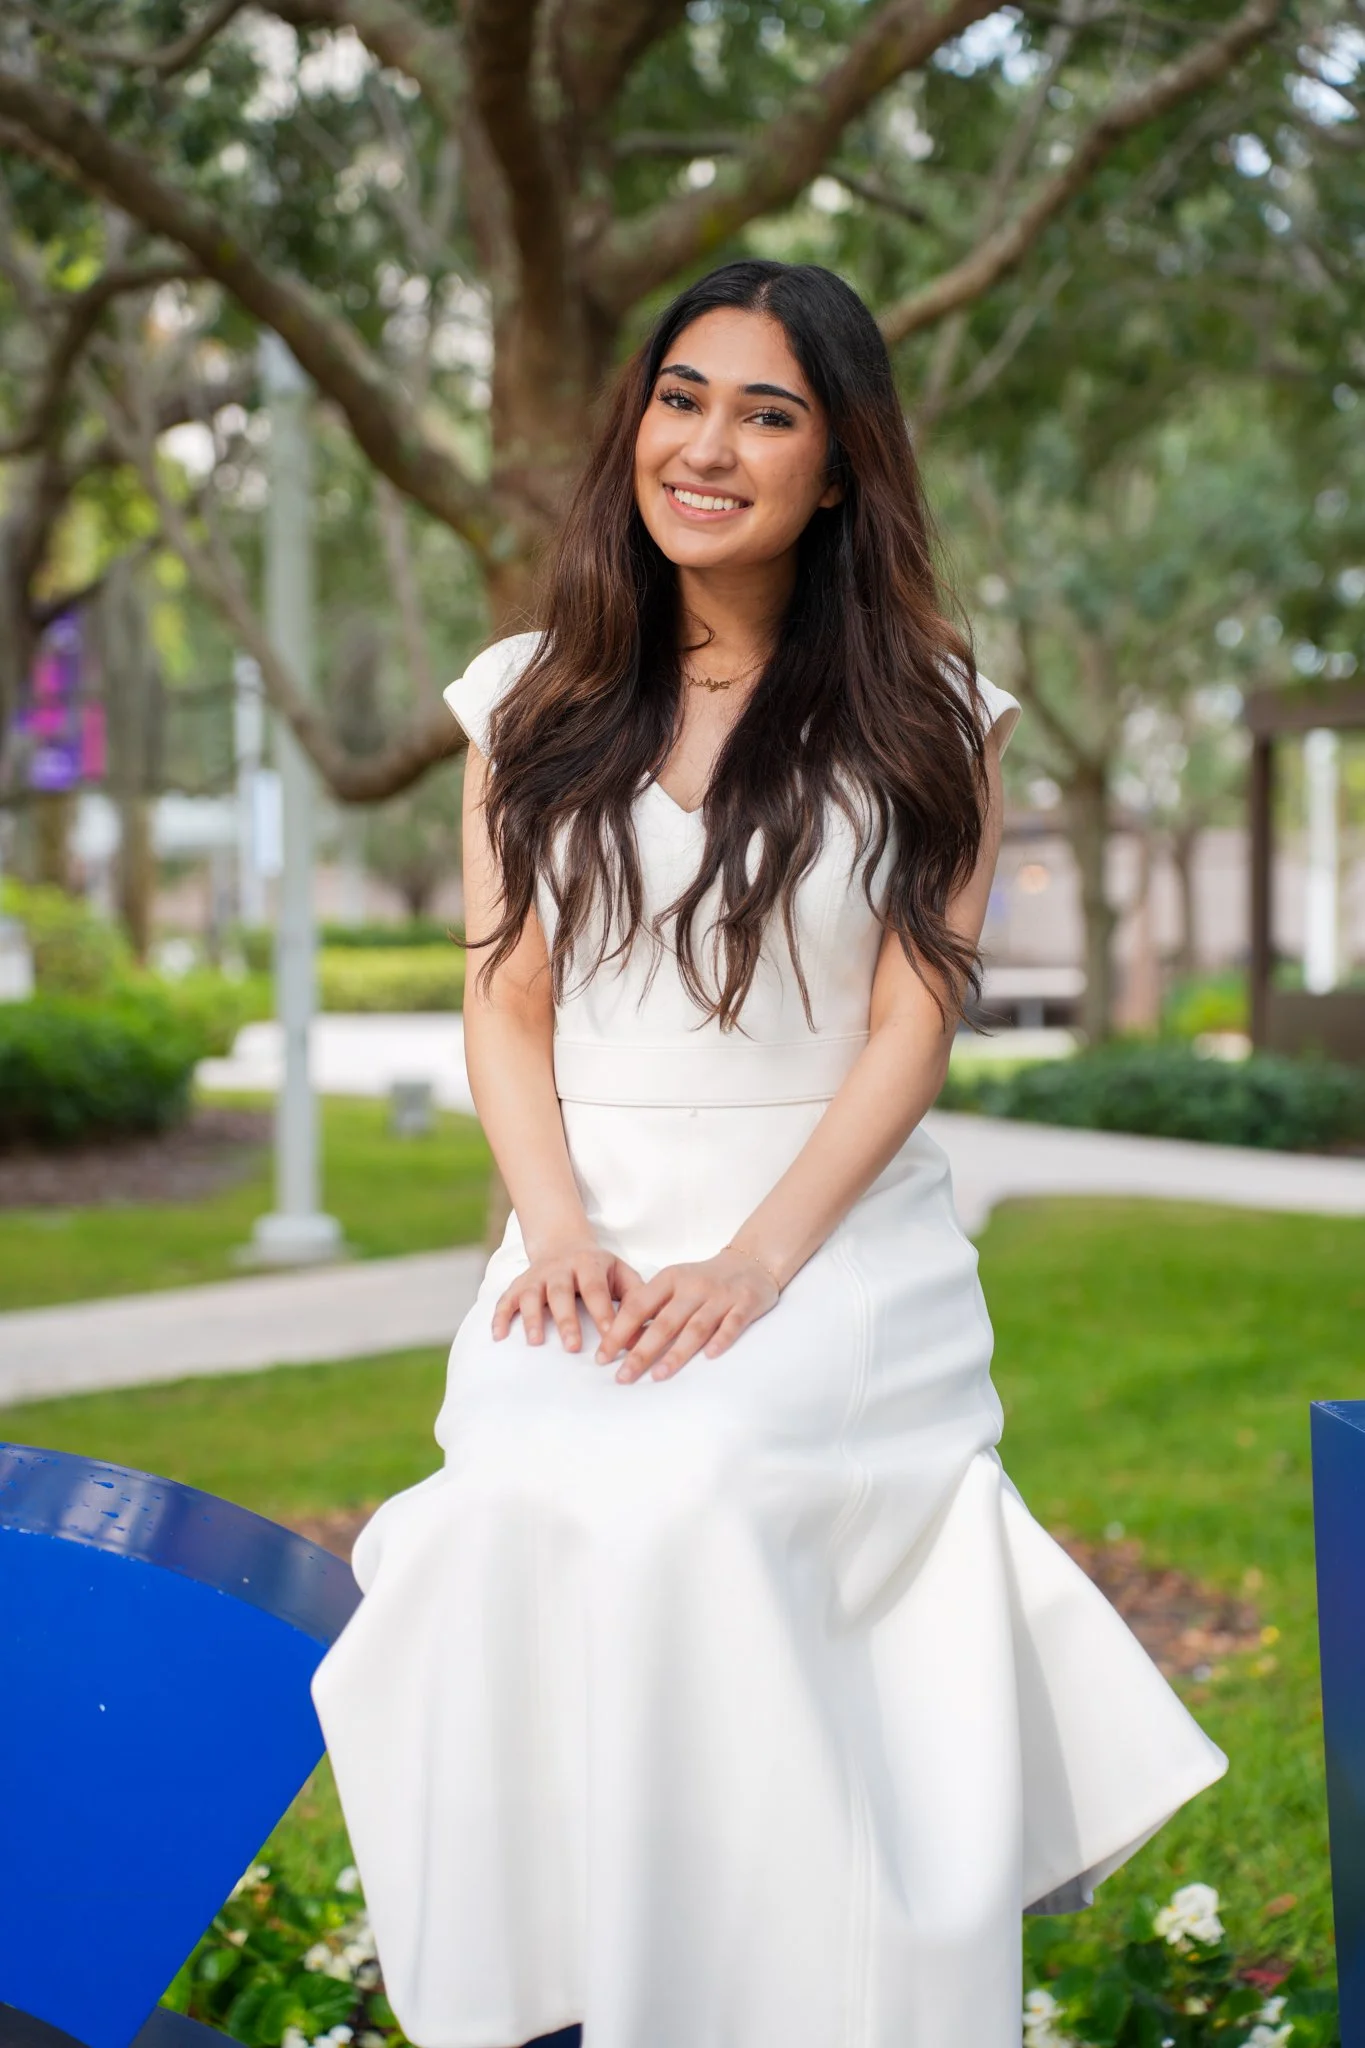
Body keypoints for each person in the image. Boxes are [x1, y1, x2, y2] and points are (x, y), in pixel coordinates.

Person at [311, 259, 1226, 2048]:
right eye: (680, 396)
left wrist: (757, 1265)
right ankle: (570, 1990)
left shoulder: (931, 712)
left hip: (831, 1238)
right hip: (587, 1225)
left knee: (701, 1491)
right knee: (505, 1506)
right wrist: (556, 1232)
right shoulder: (528, 696)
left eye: (767, 412)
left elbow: (909, 1026)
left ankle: (774, 1995)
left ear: (839, 468)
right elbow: (506, 1007)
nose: (706, 445)